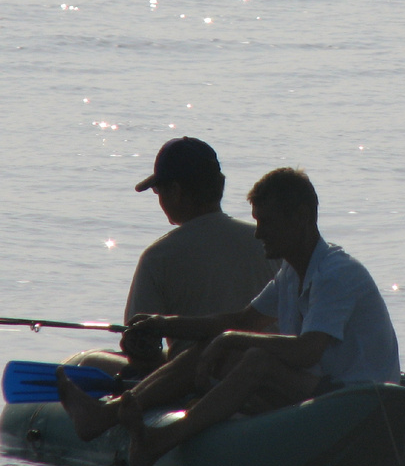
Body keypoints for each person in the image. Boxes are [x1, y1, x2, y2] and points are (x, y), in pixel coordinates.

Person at [57, 167, 401, 466]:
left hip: (358, 398)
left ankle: (159, 441)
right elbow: (240, 319)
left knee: (254, 359)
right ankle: (106, 415)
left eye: (266, 222)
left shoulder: (336, 273)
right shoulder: (291, 273)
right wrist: (163, 324)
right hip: (320, 388)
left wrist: (232, 339)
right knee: (219, 346)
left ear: (301, 217)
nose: (258, 233)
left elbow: (307, 351)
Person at [80, 137, 279, 376]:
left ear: (175, 191)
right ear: (220, 185)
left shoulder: (158, 257)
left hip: (196, 379)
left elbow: (140, 353)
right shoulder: (269, 244)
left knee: (88, 361)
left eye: (157, 191)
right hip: (268, 374)